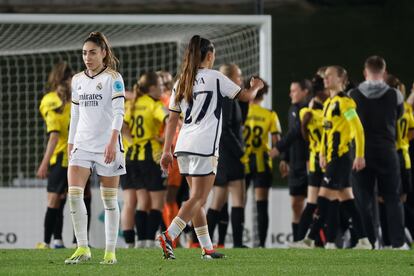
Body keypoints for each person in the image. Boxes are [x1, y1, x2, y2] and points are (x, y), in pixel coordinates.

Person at [158, 35, 264, 259]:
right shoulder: (215, 77)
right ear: (209, 56)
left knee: (196, 200)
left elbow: (172, 120)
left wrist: (167, 150)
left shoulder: (181, 81)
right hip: (204, 146)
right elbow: (244, 97)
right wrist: (255, 88)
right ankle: (169, 235)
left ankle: (207, 249)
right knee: (198, 198)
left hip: (183, 146)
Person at [65, 32, 126, 264]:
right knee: (74, 195)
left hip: (107, 146)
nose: (87, 57)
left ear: (103, 53)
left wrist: (112, 141)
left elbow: (119, 112)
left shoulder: (114, 78)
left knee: (109, 201)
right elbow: (76, 113)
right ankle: (83, 248)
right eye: (84, 53)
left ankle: (110, 252)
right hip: (82, 144)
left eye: (92, 52)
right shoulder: (77, 80)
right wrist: (71, 143)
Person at [349, 56, 407, 249]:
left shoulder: (353, 95)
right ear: (384, 72)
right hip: (387, 152)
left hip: (361, 153)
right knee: (392, 198)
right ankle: (397, 244)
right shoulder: (395, 95)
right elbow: (399, 117)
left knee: (364, 200)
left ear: (365, 72)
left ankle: (370, 242)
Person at [317, 65, 370, 249]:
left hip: (341, 157)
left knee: (323, 196)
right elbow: (326, 132)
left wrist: (360, 154)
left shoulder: (344, 102)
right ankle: (364, 240)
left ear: (341, 79)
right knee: (347, 201)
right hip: (331, 157)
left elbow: (358, 129)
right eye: (325, 76)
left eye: (330, 76)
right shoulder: (327, 104)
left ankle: (309, 239)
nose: (325, 78)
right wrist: (322, 153)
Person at [121, 72, 168, 248]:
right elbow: (169, 118)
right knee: (157, 202)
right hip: (151, 157)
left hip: (131, 157)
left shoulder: (132, 104)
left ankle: (139, 241)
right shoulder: (153, 104)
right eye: (161, 87)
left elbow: (122, 125)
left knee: (140, 201)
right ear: (153, 88)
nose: (163, 90)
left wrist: (133, 142)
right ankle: (148, 240)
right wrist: (165, 139)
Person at [207, 63, 246, 248]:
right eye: (239, 76)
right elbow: (225, 129)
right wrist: (241, 151)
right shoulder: (228, 97)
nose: (241, 79)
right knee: (238, 196)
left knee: (218, 200)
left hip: (220, 153)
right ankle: (238, 244)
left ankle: (200, 241)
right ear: (230, 78)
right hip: (229, 154)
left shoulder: (219, 95)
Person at [242, 77, 281, 247]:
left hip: (242, 161)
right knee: (261, 206)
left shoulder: (242, 112)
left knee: (238, 204)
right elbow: (277, 142)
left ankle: (237, 240)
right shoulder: (270, 114)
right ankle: (261, 245)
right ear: (264, 94)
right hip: (262, 163)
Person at [292, 75, 329, 244]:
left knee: (312, 204)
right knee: (332, 203)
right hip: (329, 162)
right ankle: (324, 240)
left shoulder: (304, 113)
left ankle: (301, 239)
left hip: (314, 163)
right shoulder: (327, 115)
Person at [273, 79, 310, 242]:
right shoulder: (292, 109)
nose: (290, 94)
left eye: (294, 90)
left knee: (316, 205)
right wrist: (285, 158)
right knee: (296, 204)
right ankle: (297, 241)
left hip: (311, 164)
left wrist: (278, 148)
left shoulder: (311, 110)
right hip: (295, 165)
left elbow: (295, 132)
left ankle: (320, 241)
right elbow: (291, 133)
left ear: (305, 92)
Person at [36, 81, 71, 249]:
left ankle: (46, 242)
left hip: (60, 160)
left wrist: (43, 164)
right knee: (61, 201)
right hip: (74, 159)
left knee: (52, 201)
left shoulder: (56, 111)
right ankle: (59, 239)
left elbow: (54, 137)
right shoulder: (74, 108)